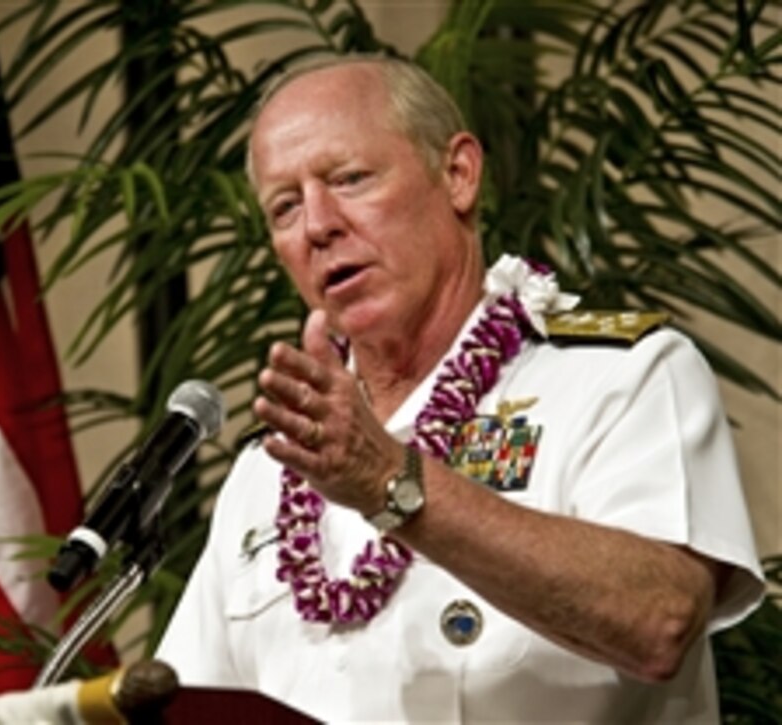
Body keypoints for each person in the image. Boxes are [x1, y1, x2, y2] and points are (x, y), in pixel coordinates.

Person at [155, 55, 764, 723]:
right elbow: (184, 706)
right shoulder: (269, 466)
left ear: (459, 174)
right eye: (285, 205)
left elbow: (660, 620)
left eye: (350, 179)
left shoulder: (622, 378)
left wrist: (390, 478)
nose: (317, 223)